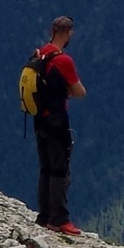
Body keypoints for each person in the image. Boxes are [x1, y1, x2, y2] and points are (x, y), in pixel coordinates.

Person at [33, 15, 86, 235]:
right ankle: (60, 219)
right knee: (60, 170)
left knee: (46, 168)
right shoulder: (63, 60)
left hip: (39, 120)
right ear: (68, 33)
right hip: (56, 121)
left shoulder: (39, 54)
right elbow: (80, 92)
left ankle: (44, 216)